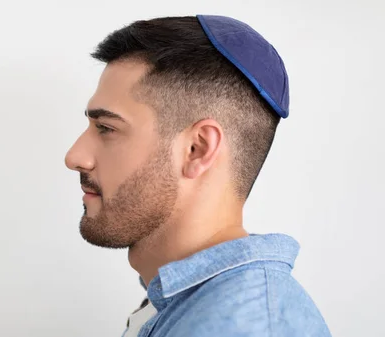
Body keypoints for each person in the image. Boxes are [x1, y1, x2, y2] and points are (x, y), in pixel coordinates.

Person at [64, 15, 331, 337]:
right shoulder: (182, 304)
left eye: (106, 128)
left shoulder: (246, 328)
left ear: (197, 149)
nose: (74, 157)